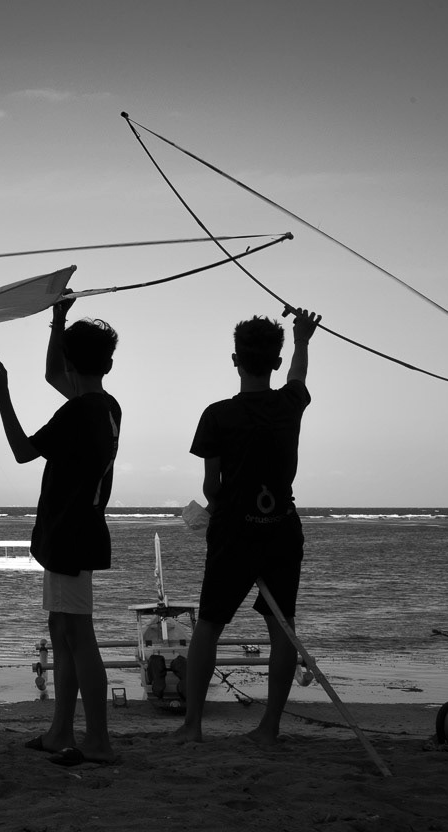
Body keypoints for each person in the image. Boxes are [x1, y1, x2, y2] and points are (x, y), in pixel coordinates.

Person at [0, 296, 121, 766]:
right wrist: (58, 320)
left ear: (70, 361)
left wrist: (1, 393)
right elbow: (52, 375)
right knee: (61, 630)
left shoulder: (77, 413)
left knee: (79, 635)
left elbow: (22, 450)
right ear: (108, 363)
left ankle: (96, 739)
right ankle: (60, 730)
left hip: (69, 535)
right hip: (78, 532)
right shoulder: (104, 406)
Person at [173, 307, 321, 745]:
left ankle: (193, 725)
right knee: (282, 628)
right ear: (272, 362)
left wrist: (221, 513)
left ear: (235, 360)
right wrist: (302, 338)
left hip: (235, 531)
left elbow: (211, 487)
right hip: (281, 528)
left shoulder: (217, 415)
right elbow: (298, 373)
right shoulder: (290, 403)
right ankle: (269, 728)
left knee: (209, 626)